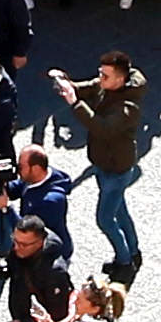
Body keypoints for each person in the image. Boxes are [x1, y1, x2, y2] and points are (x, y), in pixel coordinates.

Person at [46, 54, 145, 273]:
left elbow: (102, 128)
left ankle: (124, 260)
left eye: (105, 75)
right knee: (119, 210)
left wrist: (74, 102)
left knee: (105, 219)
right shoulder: (106, 85)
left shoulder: (128, 107)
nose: (100, 78)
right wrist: (67, 85)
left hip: (116, 169)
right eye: (100, 72)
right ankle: (133, 250)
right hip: (104, 162)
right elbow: (87, 88)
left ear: (119, 80)